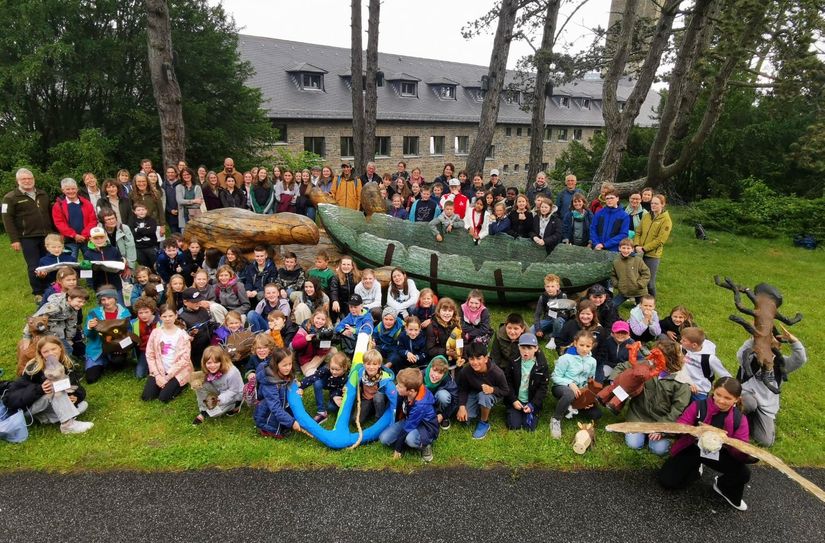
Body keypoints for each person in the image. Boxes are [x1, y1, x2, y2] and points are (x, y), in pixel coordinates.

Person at [658, 377, 752, 511]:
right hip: (694, 447)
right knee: (667, 481)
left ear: (736, 399)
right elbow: (681, 424)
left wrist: (741, 451)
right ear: (713, 390)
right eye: (718, 394)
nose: (720, 400)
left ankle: (722, 486)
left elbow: (741, 446)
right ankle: (696, 469)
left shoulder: (740, 419)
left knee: (743, 474)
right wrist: (693, 431)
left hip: (721, 453)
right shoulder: (699, 406)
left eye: (727, 398)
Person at [611, 338, 690, 455]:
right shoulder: (648, 364)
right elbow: (622, 366)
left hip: (662, 420)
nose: (652, 357)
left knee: (659, 450)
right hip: (638, 415)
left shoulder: (681, 381)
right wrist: (615, 381)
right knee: (634, 444)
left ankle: (659, 437)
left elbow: (678, 409)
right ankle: (641, 434)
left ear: (668, 360)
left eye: (657, 356)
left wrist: (661, 430)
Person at [4, 336, 92, 434]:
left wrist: (76, 396)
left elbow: (77, 387)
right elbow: (11, 398)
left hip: (50, 405)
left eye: (53, 349)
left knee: (83, 405)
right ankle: (68, 425)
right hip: (32, 406)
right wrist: (40, 389)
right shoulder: (34, 369)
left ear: (60, 348)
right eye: (46, 352)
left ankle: (47, 418)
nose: (51, 353)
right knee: (55, 389)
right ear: (41, 354)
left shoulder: (66, 365)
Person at [737, 326, 806, 447]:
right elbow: (740, 354)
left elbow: (800, 359)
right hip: (747, 396)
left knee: (765, 441)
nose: (767, 350)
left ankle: (751, 421)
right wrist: (754, 339)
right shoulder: (751, 358)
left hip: (767, 405)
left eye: (772, 347)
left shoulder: (782, 363)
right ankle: (734, 420)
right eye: (764, 346)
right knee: (749, 403)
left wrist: (794, 341)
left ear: (779, 348)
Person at [3, 168, 53, 300]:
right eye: (23, 179)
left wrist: (54, 233)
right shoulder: (10, 197)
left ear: (33, 179)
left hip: (46, 235)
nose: (27, 181)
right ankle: (38, 292)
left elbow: (50, 214)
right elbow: (7, 220)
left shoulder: (43, 194)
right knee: (34, 264)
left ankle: (50, 287)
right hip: (27, 237)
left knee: (48, 262)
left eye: (29, 178)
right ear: (18, 181)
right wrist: (14, 240)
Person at [549, 331, 603, 439]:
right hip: (562, 387)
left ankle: (573, 406)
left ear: (592, 346)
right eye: (581, 345)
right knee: (569, 394)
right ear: (575, 343)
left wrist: (589, 398)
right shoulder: (565, 358)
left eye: (588, 346)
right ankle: (556, 419)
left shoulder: (592, 361)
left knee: (596, 414)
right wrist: (570, 384)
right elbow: (554, 377)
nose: (584, 349)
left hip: (580, 390)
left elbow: (590, 381)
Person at [379, 367, 439, 462]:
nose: (396, 387)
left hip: (425, 427)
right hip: (409, 420)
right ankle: (404, 441)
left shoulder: (420, 405)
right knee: (384, 439)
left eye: (399, 386)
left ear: (411, 391)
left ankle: (425, 445)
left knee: (410, 439)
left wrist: (398, 449)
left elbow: (408, 427)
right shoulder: (406, 391)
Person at [456, 341, 510, 440]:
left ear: (485, 358)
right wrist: (462, 406)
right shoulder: (465, 371)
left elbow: (505, 391)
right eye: (471, 359)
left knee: (484, 396)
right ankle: (478, 408)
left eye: (478, 358)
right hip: (474, 391)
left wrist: (492, 389)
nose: (475, 362)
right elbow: (463, 389)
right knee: (464, 420)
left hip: (491, 394)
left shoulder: (497, 372)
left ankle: (484, 422)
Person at [142, 304, 193, 403]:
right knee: (147, 397)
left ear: (176, 315)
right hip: (159, 369)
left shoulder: (182, 335)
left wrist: (167, 377)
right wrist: (157, 375)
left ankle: (182, 383)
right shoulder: (155, 333)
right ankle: (163, 384)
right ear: (160, 317)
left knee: (163, 398)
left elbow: (184, 359)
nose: (168, 319)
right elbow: (150, 355)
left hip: (176, 371)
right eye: (164, 316)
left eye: (170, 316)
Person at [83, 285, 132, 383]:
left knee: (117, 363)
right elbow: (88, 335)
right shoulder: (94, 313)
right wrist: (90, 327)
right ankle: (101, 361)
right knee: (91, 378)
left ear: (115, 298)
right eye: (103, 300)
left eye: (109, 298)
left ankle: (113, 360)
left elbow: (129, 333)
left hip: (116, 347)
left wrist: (123, 348)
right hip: (97, 348)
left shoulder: (125, 313)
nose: (107, 302)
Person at [504, 333, 549, 432]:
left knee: (529, 427)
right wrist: (513, 400)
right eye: (523, 348)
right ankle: (513, 410)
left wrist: (533, 404)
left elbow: (543, 388)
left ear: (536, 348)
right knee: (513, 425)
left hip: (531, 401)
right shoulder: (513, 361)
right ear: (519, 347)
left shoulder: (542, 365)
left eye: (529, 348)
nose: (526, 352)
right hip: (516, 400)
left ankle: (532, 410)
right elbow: (508, 383)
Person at [254, 348, 302, 438]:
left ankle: (284, 424)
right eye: (284, 365)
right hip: (268, 416)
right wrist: (291, 422)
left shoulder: (286, 373)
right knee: (277, 432)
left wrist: (297, 392)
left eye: (290, 364)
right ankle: (268, 430)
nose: (288, 368)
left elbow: (290, 388)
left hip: (282, 406)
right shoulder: (270, 383)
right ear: (276, 365)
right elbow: (275, 408)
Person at [24, 287, 88, 354]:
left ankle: (62, 361)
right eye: (79, 301)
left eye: (84, 302)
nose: (82, 304)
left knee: (68, 349)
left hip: (58, 330)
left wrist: (69, 339)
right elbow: (34, 320)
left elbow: (71, 324)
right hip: (44, 330)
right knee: (64, 349)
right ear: (69, 298)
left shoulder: (74, 309)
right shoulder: (55, 307)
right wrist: (27, 337)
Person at [191, 346, 243, 425]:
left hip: (234, 395)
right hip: (220, 390)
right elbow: (204, 379)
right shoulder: (209, 369)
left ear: (221, 361)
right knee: (200, 384)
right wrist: (196, 381)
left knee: (215, 413)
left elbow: (234, 391)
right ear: (205, 363)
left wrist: (219, 400)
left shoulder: (232, 373)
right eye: (209, 363)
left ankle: (235, 405)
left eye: (216, 362)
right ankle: (204, 410)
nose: (212, 366)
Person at [633, 193, 672, 297]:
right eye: (652, 203)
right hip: (639, 251)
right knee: (638, 279)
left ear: (662, 205)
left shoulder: (666, 220)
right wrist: (636, 245)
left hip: (652, 255)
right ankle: (639, 302)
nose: (653, 205)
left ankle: (652, 304)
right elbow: (638, 232)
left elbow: (660, 240)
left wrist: (644, 249)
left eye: (656, 203)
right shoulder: (646, 216)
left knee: (649, 283)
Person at [51, 177, 97, 261]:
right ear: (63, 190)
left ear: (77, 189)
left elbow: (93, 220)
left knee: (91, 262)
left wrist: (84, 235)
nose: (71, 191)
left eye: (73, 188)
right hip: (69, 241)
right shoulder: (58, 206)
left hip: (86, 239)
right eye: (67, 189)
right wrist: (74, 235)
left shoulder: (86, 203)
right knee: (70, 264)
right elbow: (59, 223)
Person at [298, 351, 350, 422]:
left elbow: (338, 389)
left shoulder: (345, 378)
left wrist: (335, 396)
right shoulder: (326, 369)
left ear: (344, 368)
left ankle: (335, 405)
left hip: (335, 388)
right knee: (317, 382)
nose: (334, 372)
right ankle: (321, 412)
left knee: (331, 407)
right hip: (325, 382)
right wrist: (301, 385)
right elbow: (314, 377)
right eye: (332, 369)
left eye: (337, 370)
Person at [681, 327, 731, 401]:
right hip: (684, 385)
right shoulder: (684, 349)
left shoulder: (710, 359)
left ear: (694, 345)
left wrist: (720, 389)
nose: (680, 341)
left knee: (698, 411)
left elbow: (726, 376)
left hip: (699, 391)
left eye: (684, 340)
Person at [81, 226, 126, 295]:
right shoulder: (88, 254)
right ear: (90, 239)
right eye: (95, 238)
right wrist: (91, 284)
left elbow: (120, 267)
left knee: (119, 304)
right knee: (104, 304)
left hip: (115, 285)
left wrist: (122, 265)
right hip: (99, 286)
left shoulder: (113, 250)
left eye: (101, 237)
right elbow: (87, 271)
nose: (99, 240)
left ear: (105, 237)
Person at [531, 273, 572, 346]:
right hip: (548, 319)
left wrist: (558, 315)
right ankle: (533, 341)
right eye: (548, 286)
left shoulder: (563, 296)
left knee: (557, 321)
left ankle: (554, 337)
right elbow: (537, 314)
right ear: (545, 287)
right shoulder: (543, 297)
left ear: (558, 287)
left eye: (553, 286)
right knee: (532, 329)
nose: (550, 289)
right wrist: (538, 329)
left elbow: (566, 314)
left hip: (559, 319)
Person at [291, 309, 335, 376]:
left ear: (326, 321)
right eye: (318, 318)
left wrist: (324, 346)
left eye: (323, 320)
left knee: (334, 351)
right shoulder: (305, 328)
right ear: (313, 317)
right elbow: (294, 344)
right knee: (309, 374)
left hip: (318, 356)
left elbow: (321, 353)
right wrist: (305, 339)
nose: (319, 321)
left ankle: (324, 368)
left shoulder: (327, 332)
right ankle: (318, 369)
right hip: (305, 358)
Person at [611, 238, 651, 309]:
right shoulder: (616, 262)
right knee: (611, 306)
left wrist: (640, 284)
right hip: (624, 291)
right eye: (623, 248)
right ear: (619, 248)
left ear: (632, 249)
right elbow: (613, 275)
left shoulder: (638, 260)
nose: (626, 250)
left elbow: (646, 273)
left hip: (639, 291)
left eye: (628, 248)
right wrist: (616, 284)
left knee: (643, 309)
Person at [426, 297, 463, 368]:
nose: (447, 313)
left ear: (453, 312)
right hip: (438, 359)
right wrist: (446, 352)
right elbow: (430, 350)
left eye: (450, 311)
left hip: (455, 358)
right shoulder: (432, 327)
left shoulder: (456, 324)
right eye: (444, 310)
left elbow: (461, 340)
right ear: (438, 311)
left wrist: (461, 355)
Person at [423, 356, 458, 429]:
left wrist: (443, 415)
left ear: (444, 374)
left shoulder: (448, 381)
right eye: (434, 370)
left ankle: (441, 415)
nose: (435, 375)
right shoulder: (420, 375)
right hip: (425, 403)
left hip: (439, 404)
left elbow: (456, 400)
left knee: (443, 396)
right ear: (430, 367)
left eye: (440, 373)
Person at [131, 297, 159, 379]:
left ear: (152, 311)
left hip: (158, 351)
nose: (143, 315)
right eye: (140, 313)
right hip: (144, 351)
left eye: (146, 312)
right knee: (139, 375)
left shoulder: (160, 322)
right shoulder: (133, 323)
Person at [329, 256, 361, 323]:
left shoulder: (357, 276)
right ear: (340, 265)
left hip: (353, 302)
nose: (346, 266)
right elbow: (333, 290)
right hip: (341, 303)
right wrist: (335, 301)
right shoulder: (336, 277)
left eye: (348, 264)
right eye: (344, 264)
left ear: (352, 266)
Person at [160, 166, 180, 232]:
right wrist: (170, 210)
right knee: (174, 235)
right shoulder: (164, 185)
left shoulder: (181, 184)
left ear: (176, 173)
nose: (170, 174)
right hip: (170, 215)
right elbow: (163, 201)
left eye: (172, 172)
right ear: (166, 174)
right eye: (168, 172)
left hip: (181, 213)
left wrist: (177, 209)